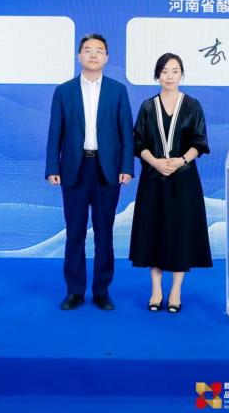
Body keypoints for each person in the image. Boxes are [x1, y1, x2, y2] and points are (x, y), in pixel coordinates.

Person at [46, 33, 134, 311]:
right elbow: (55, 132)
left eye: (99, 50)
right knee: (75, 231)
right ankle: (74, 291)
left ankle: (101, 291)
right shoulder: (64, 91)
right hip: (74, 168)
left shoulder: (117, 91)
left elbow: (126, 132)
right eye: (87, 50)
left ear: (106, 57)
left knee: (104, 232)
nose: (93, 54)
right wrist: (52, 167)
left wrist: (127, 167)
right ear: (79, 56)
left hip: (107, 170)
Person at [129, 53, 212, 313]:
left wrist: (181, 161)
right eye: (164, 71)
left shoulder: (193, 105)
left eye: (175, 71)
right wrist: (155, 162)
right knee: (153, 231)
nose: (169, 76)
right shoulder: (147, 106)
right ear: (157, 75)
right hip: (153, 180)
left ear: (181, 75)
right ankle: (156, 290)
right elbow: (138, 143)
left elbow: (200, 142)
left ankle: (176, 290)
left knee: (180, 233)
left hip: (183, 180)